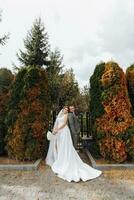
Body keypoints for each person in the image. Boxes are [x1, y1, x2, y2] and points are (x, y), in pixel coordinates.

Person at [45, 106, 102, 182]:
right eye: (64, 109)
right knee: (59, 146)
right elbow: (57, 123)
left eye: (66, 110)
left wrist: (58, 129)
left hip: (64, 131)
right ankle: (60, 159)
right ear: (62, 110)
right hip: (59, 132)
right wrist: (55, 130)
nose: (65, 111)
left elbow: (64, 124)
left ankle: (65, 160)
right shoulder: (59, 116)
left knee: (65, 146)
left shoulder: (66, 115)